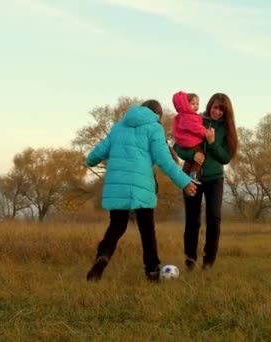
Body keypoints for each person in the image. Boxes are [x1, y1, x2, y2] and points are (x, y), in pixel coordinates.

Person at [85, 99, 198, 282]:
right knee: (146, 229)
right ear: (157, 116)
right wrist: (184, 182)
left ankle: (102, 257)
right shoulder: (154, 128)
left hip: (118, 185)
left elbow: (100, 150)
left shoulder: (119, 126)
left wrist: (89, 161)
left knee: (116, 226)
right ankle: (152, 271)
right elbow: (165, 161)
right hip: (142, 186)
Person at [173, 93, 238, 271]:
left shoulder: (226, 128)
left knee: (214, 219)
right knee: (192, 220)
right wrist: (193, 155)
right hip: (192, 177)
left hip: (214, 178)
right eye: (214, 107)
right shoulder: (195, 119)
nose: (216, 111)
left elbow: (225, 158)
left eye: (221, 109)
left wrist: (212, 143)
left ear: (226, 112)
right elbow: (178, 146)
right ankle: (190, 260)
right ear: (209, 105)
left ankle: (208, 261)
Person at [172, 91, 206, 184]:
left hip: (183, 142)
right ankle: (193, 174)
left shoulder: (181, 116)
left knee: (189, 160)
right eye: (193, 104)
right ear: (186, 105)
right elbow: (196, 128)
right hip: (190, 141)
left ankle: (184, 175)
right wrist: (205, 132)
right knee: (200, 154)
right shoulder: (189, 116)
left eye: (197, 104)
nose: (196, 106)